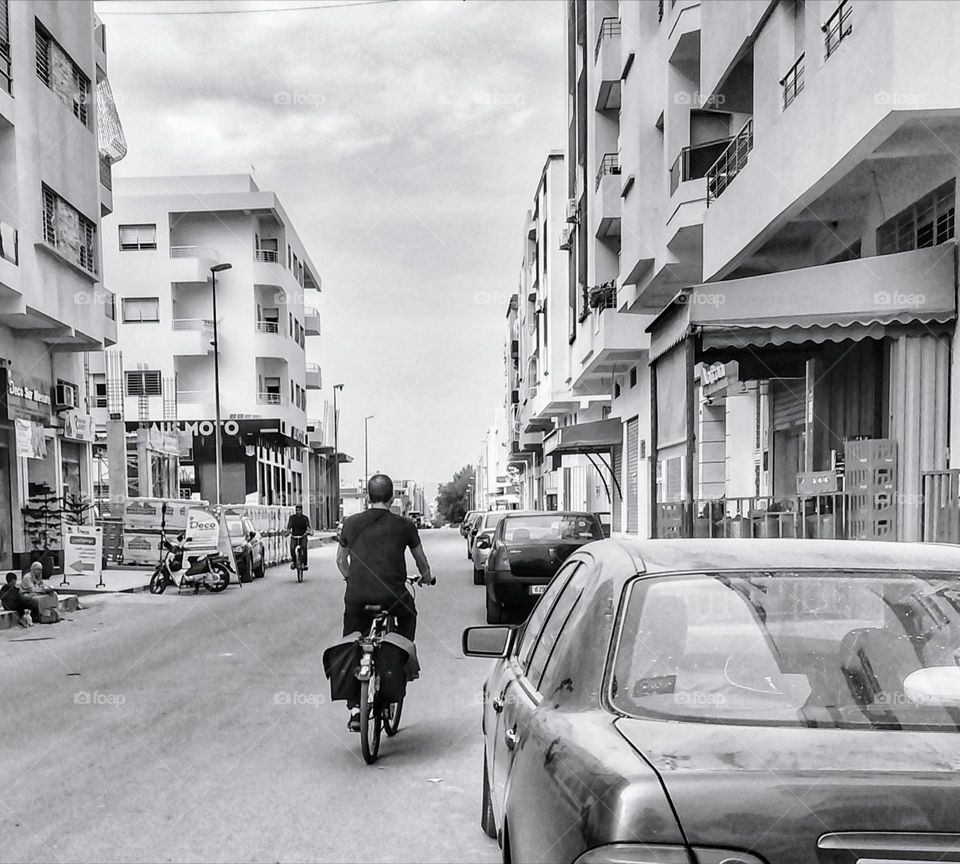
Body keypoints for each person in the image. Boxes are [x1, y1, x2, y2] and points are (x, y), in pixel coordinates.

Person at [337, 473, 435, 731]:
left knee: (352, 639)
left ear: (368, 497)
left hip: (357, 597)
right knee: (408, 616)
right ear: (392, 498)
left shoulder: (350, 523)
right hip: (393, 596)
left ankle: (356, 705)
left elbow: (340, 561)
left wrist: (352, 580)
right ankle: (400, 664)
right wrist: (427, 578)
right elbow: (421, 562)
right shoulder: (404, 525)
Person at [286, 504, 313, 570]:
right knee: (292, 548)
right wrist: (287, 532)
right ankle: (294, 562)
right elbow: (289, 527)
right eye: (297, 510)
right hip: (294, 536)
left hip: (303, 536)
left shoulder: (305, 518)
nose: (298, 512)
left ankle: (305, 564)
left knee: (304, 547)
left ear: (302, 510)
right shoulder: (292, 518)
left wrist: (310, 531)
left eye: (299, 510)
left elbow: (308, 526)